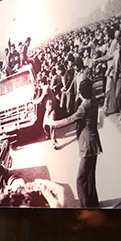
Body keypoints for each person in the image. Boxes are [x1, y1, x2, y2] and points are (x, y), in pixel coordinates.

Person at [45, 78, 103, 208]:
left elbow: (70, 119)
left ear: (81, 93)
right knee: (90, 175)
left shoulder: (84, 106)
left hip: (87, 145)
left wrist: (53, 123)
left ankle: (85, 206)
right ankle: (93, 202)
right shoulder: (94, 101)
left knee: (80, 179)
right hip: (94, 142)